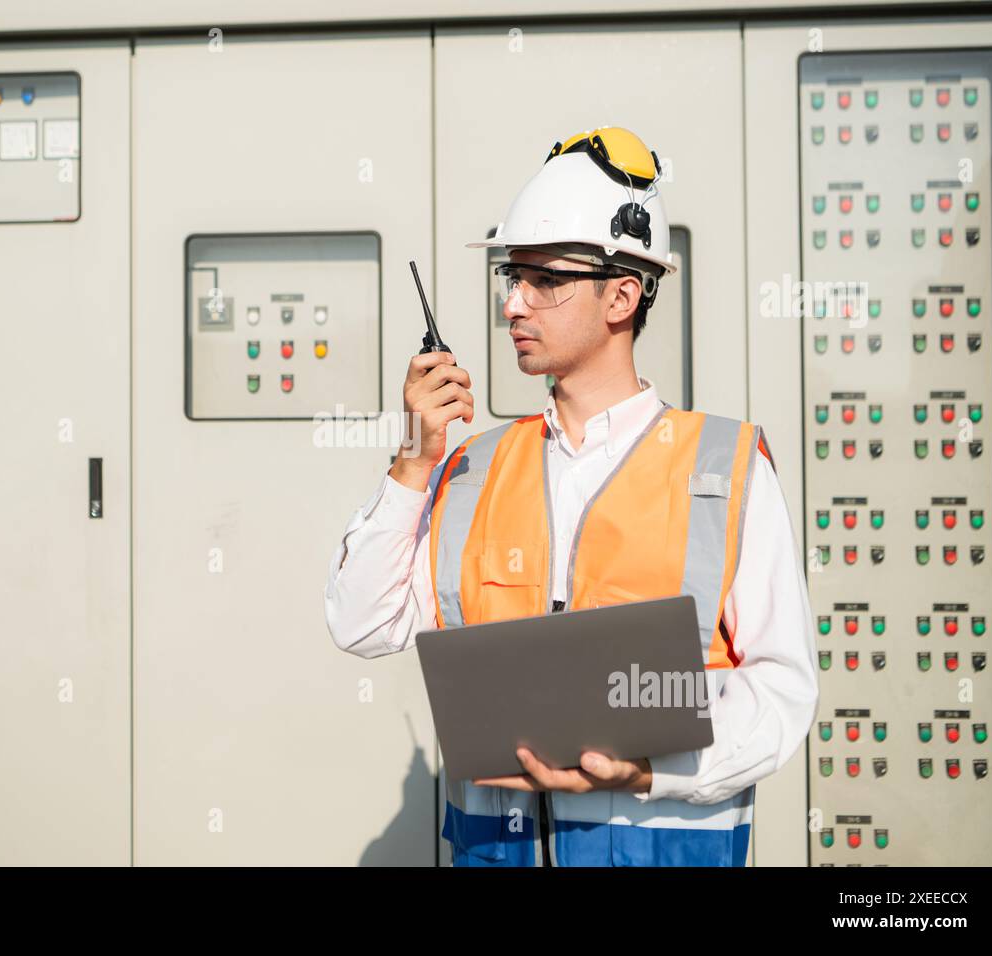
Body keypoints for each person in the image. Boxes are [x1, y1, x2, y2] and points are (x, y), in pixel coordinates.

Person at [324, 127, 819, 867]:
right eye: (511, 278)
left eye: (543, 280)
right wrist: (414, 460)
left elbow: (782, 692)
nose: (514, 305)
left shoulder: (726, 466)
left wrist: (650, 768)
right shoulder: (472, 469)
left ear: (622, 294)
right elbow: (361, 623)